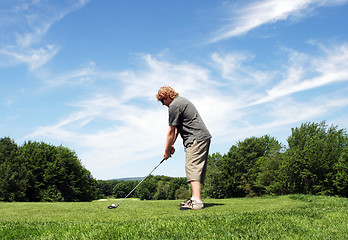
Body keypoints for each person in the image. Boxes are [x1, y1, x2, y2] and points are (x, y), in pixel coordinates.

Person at [156, 86, 211, 210]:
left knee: (192, 166)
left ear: (167, 97)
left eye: (162, 101)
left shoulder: (174, 106)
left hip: (196, 138)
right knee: (193, 166)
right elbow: (175, 131)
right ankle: (194, 198)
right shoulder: (181, 101)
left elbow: (170, 131)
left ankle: (197, 201)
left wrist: (166, 151)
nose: (162, 104)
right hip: (200, 137)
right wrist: (171, 146)